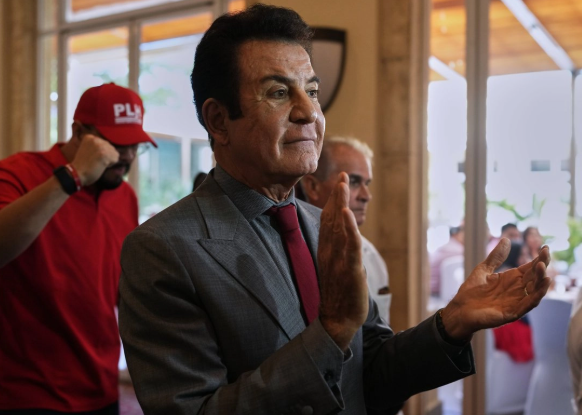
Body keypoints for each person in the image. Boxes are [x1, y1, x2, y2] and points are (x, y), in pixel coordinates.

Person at [118, 5, 551, 414]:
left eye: (311, 91)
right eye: (278, 93)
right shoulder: (162, 249)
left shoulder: (324, 226)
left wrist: (452, 322)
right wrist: (330, 333)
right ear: (218, 121)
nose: (309, 112)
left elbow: (370, 371)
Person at [0, 83, 156, 414]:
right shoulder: (17, 173)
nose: (127, 156)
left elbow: (119, 288)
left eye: (134, 145)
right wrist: (72, 177)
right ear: (79, 132)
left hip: (100, 387)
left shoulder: (124, 196)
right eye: (116, 144)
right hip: (26, 391)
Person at [299, 135, 392, 323]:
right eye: (354, 182)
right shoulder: (293, 255)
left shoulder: (372, 256)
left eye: (367, 183)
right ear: (313, 186)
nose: (366, 196)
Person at [429, 224, 464, 296]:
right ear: (455, 234)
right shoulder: (457, 251)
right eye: (464, 230)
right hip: (437, 294)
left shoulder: (447, 247)